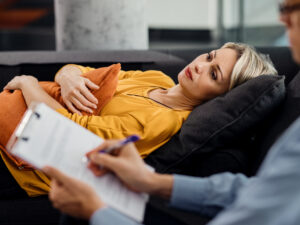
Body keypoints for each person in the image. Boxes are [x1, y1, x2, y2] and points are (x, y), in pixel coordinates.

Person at [43, 0, 300, 224]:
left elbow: (78, 131)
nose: (281, 17)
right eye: (209, 57)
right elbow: (252, 191)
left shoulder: (164, 120)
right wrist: (67, 76)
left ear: (220, 97)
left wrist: (28, 85)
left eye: (213, 74)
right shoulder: (156, 78)